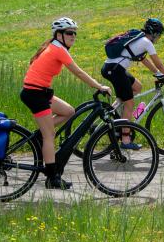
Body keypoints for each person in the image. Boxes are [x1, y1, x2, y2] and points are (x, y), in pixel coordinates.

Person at [20, 17, 111, 189]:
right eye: (69, 33)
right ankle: (53, 177)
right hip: (35, 93)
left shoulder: (53, 46)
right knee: (50, 136)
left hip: (41, 92)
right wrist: (100, 86)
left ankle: (41, 134)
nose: (73, 36)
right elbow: (79, 72)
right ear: (59, 34)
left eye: (75, 34)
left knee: (69, 111)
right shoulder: (58, 49)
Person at [101, 18, 164, 149]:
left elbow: (143, 59)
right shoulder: (146, 42)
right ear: (155, 33)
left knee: (137, 87)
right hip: (116, 70)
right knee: (130, 103)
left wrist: (157, 74)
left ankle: (116, 113)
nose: (159, 38)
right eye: (159, 35)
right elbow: (159, 63)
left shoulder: (139, 39)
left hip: (112, 67)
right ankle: (125, 140)